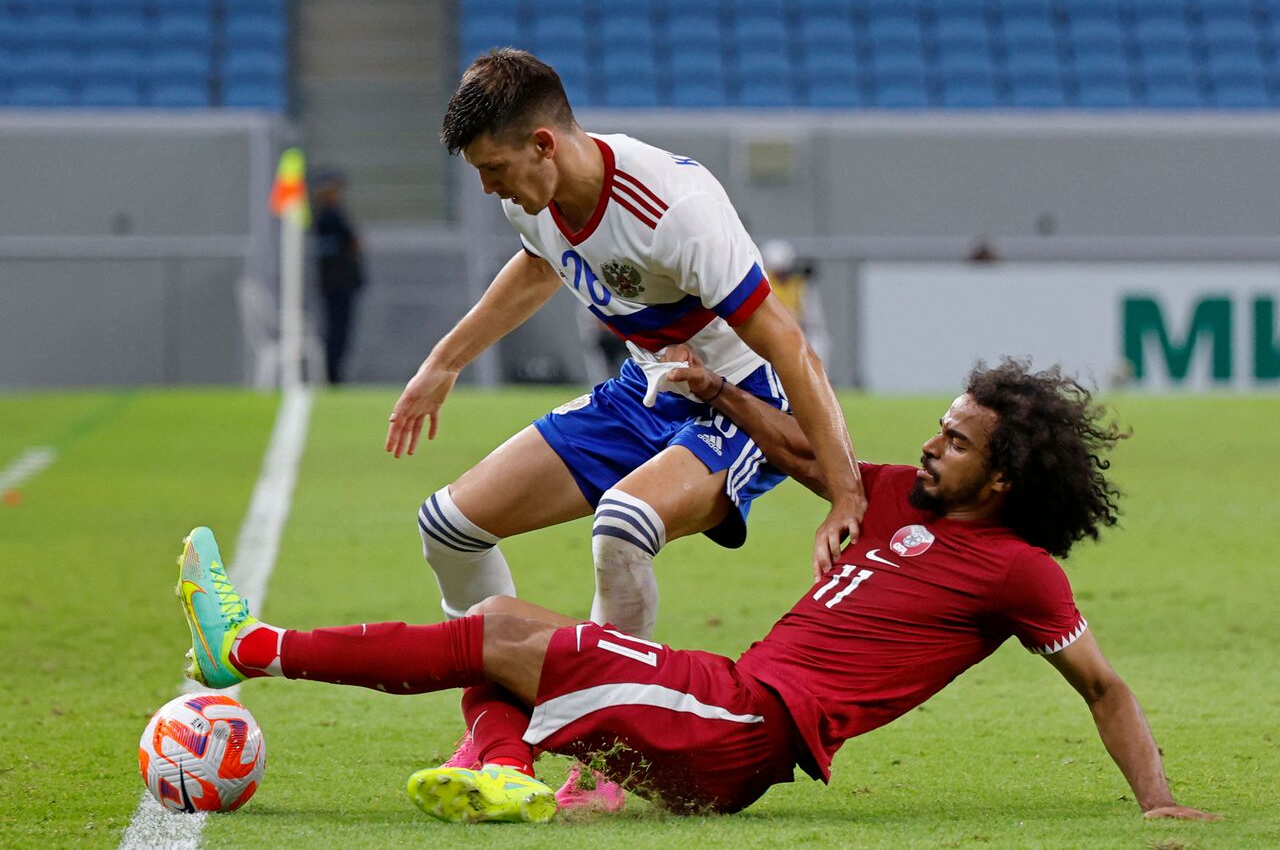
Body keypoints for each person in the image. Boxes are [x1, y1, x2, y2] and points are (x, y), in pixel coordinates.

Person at [177, 356, 1216, 825]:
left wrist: (1157, 801)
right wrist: (720, 392)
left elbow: (1102, 687)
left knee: (499, 626)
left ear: (1002, 478)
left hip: (743, 724)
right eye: (938, 427)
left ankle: (249, 649)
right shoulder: (896, 498)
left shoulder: (1019, 571)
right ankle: (498, 767)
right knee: (509, 641)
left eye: (954, 440)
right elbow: (804, 451)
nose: (928, 444)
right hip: (718, 714)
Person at [383, 48, 864, 800]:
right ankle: (497, 735)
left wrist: (846, 494)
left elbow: (789, 345)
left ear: (544, 145)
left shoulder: (671, 207)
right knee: (448, 525)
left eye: (495, 169)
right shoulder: (529, 195)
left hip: (743, 397)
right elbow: (541, 264)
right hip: (647, 384)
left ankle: (617, 752)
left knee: (623, 525)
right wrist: (444, 362)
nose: (489, 188)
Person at [313, 168, 364, 384]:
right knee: (337, 331)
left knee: (340, 331)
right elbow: (351, 242)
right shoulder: (328, 217)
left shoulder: (332, 215)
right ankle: (333, 375)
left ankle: (335, 373)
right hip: (337, 284)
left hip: (341, 283)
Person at [760, 239, 829, 365]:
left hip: (798, 332)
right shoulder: (765, 283)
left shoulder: (799, 284)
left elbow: (811, 318)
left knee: (818, 345)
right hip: (773, 333)